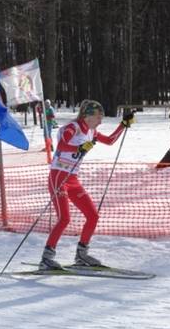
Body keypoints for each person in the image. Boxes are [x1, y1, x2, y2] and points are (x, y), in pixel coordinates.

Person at [39, 99, 135, 270]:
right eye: (98, 116)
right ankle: (47, 257)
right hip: (59, 176)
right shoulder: (72, 128)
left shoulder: (92, 132)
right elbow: (62, 145)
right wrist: (79, 148)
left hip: (73, 179)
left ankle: (82, 254)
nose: (101, 120)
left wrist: (123, 125)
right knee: (64, 218)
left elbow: (110, 141)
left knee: (93, 216)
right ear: (87, 116)